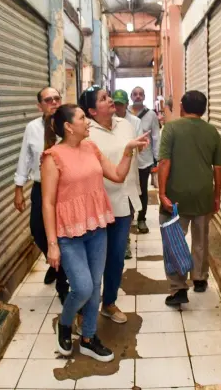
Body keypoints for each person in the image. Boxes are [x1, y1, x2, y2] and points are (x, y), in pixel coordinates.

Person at [41, 104, 148, 362]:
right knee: (83, 287)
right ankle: (65, 324)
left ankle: (89, 337)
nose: (87, 121)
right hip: (69, 233)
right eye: (81, 118)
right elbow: (48, 203)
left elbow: (118, 175)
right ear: (68, 126)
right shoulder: (52, 157)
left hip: (97, 228)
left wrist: (128, 151)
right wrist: (52, 244)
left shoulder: (91, 148)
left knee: (95, 285)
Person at [78, 86, 144, 324]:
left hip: (124, 201)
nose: (110, 101)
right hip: (98, 206)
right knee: (93, 260)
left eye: (109, 96)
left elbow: (130, 160)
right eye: (104, 99)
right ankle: (83, 309)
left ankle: (109, 302)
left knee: (116, 257)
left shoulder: (125, 124)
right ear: (92, 111)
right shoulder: (86, 132)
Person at [157, 91, 221, 306]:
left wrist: (161, 192)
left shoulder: (171, 128)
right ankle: (199, 278)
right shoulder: (212, 131)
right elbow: (218, 167)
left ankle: (178, 288)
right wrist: (217, 195)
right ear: (203, 109)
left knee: (174, 240)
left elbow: (165, 162)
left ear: (181, 106)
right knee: (201, 238)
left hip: (175, 196)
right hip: (203, 193)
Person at [13, 87, 70, 301]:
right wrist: (18, 188)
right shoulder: (33, 128)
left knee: (63, 235)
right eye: (48, 100)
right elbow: (25, 158)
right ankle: (55, 263)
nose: (54, 102)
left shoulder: (68, 125)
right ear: (40, 106)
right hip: (41, 186)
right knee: (38, 230)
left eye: (57, 98)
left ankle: (63, 283)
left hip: (65, 188)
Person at [112, 89, 142, 260]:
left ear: (126, 105)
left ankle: (126, 242)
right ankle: (118, 242)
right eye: (115, 104)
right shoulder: (106, 123)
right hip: (112, 172)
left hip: (130, 171)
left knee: (129, 209)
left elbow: (139, 144)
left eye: (120, 105)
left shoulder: (134, 122)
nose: (117, 108)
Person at [128, 86, 160, 234]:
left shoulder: (151, 115)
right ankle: (129, 217)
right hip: (127, 159)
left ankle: (142, 218)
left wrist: (156, 158)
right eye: (135, 94)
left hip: (144, 159)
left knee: (142, 191)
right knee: (127, 190)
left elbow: (155, 137)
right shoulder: (123, 112)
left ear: (144, 96)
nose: (138, 96)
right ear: (131, 96)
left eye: (141, 94)